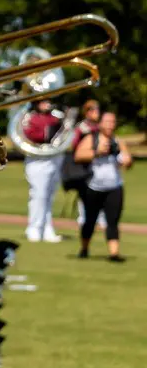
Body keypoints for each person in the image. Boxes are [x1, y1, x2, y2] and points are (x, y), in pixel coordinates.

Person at [73, 111, 132, 262]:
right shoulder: (91, 139)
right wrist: (97, 152)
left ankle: (114, 254)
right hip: (94, 187)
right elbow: (78, 156)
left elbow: (128, 161)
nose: (110, 125)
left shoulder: (118, 141)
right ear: (100, 123)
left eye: (113, 122)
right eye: (107, 122)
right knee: (90, 220)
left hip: (114, 186)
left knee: (113, 221)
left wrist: (125, 161)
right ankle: (84, 249)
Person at [23, 99, 65, 242]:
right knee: (38, 195)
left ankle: (47, 228)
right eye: (44, 101)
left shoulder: (56, 116)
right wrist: (48, 132)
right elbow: (29, 135)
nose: (48, 103)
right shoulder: (30, 117)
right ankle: (33, 228)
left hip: (54, 157)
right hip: (37, 159)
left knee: (49, 196)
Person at [72, 100, 105, 229]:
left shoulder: (100, 127)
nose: (97, 113)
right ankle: (83, 217)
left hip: (100, 163)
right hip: (86, 164)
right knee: (85, 191)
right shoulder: (82, 128)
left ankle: (101, 218)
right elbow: (75, 145)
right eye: (94, 110)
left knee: (102, 189)